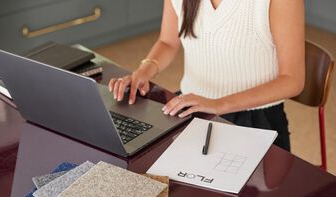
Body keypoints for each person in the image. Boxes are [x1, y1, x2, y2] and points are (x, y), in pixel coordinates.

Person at [108, 0, 305, 151]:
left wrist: (218, 104)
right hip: (191, 108)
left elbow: (292, 80)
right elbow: (167, 42)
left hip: (255, 120)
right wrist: (144, 71)